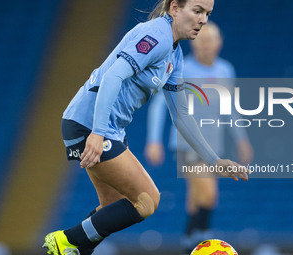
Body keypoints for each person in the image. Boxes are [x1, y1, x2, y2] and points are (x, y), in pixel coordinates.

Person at [42, 1, 249, 254]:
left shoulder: (175, 54)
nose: (203, 20)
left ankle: (74, 250)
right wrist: (97, 132)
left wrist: (214, 161)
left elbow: (181, 115)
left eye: (207, 14)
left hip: (106, 128)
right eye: (197, 11)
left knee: (113, 206)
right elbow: (113, 76)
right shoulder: (156, 36)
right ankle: (65, 239)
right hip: (90, 124)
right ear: (174, 8)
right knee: (147, 200)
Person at [145, 22, 253, 254]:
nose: (206, 46)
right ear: (193, 44)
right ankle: (202, 247)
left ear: (219, 43)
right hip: (187, 143)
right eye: (201, 41)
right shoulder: (181, 68)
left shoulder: (225, 70)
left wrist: (241, 139)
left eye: (210, 40)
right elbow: (159, 104)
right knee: (209, 196)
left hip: (213, 146)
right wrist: (154, 140)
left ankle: (189, 248)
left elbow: (230, 108)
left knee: (196, 201)